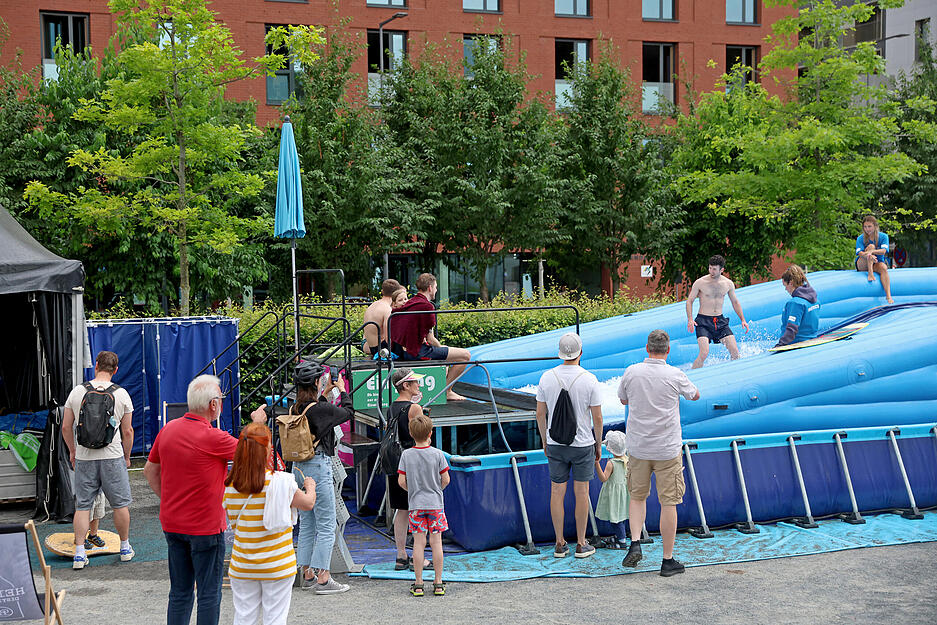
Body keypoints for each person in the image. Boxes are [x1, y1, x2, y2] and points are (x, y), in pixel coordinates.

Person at [143, 374, 266, 625]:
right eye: (220, 399)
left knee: (179, 592)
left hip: (173, 523)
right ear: (213, 405)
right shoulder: (213, 437)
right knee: (209, 594)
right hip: (205, 527)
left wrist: (168, 498)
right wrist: (257, 424)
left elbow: (149, 470)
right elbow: (256, 453)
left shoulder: (168, 430)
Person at [618, 330, 700, 577]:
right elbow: (695, 395)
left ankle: (634, 542)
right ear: (668, 350)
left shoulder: (632, 372)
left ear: (647, 348)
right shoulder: (675, 375)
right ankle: (667, 560)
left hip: (639, 447)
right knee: (669, 502)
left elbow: (622, 400)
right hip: (666, 448)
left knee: (637, 497)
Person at [223, 423, 317, 625]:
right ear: (267, 451)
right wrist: (310, 486)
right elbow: (308, 503)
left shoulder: (231, 485)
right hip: (278, 564)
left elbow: (232, 521)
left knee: (243, 618)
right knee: (275, 619)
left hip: (243, 565)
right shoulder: (283, 482)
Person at [61, 350, 134, 570]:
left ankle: (80, 554)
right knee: (120, 504)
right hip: (113, 457)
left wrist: (73, 451)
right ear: (116, 370)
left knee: (83, 505)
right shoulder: (121, 394)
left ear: (96, 366)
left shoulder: (77, 392)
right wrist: (127, 456)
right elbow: (128, 431)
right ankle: (124, 548)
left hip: (84, 457)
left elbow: (66, 427)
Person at [535, 332, 603, 559]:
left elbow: (540, 413)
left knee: (557, 491)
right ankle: (582, 543)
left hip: (555, 442)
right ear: (580, 353)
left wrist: (545, 440)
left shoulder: (546, 377)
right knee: (582, 492)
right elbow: (598, 418)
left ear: (560, 354)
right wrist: (598, 444)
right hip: (583, 444)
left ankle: (559, 543)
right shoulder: (589, 379)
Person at [289, 361, 354, 594]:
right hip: (318, 467)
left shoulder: (296, 407)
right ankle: (324, 578)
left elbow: (318, 415)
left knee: (307, 523)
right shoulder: (319, 410)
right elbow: (347, 412)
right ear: (317, 382)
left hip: (298, 468)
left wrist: (325, 395)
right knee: (327, 524)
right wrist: (343, 390)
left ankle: (306, 573)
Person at [389, 273, 470, 401]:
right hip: (418, 352)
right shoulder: (427, 306)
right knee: (465, 355)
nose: (436, 290)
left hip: (405, 351)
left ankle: (446, 386)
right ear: (430, 288)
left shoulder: (410, 302)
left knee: (446, 354)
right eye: (436, 287)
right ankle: (447, 391)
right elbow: (431, 339)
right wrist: (442, 348)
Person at [397, 413, 450, 597]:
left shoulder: (406, 455)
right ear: (431, 433)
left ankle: (418, 583)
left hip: (416, 505)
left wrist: (412, 490)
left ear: (411, 434)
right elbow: (446, 479)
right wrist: (437, 489)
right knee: (436, 543)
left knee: (418, 543)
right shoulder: (438, 454)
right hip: (435, 504)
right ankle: (438, 582)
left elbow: (401, 481)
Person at [386, 368, 432, 572]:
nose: (418, 385)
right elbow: (422, 435)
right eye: (415, 382)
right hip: (412, 461)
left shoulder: (391, 407)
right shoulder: (414, 408)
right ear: (406, 385)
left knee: (401, 510)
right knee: (417, 508)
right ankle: (417, 557)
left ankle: (401, 555)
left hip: (395, 461)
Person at [685, 255, 749, 368]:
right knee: (704, 353)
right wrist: (690, 319)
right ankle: (692, 376)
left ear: (722, 270)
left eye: (714, 269)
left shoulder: (728, 284)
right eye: (710, 268)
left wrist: (743, 320)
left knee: (735, 352)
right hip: (703, 322)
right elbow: (689, 301)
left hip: (720, 321)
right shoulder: (700, 283)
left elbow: (735, 302)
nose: (711, 271)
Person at [594, 430, 630, 549]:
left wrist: (596, 464)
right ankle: (620, 535)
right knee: (621, 516)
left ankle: (622, 541)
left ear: (609, 449)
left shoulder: (611, 463)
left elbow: (604, 478)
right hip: (624, 495)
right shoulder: (627, 460)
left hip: (614, 496)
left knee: (615, 519)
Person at [775, 265, 821, 348]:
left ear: (791, 282)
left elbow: (792, 328)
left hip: (796, 343)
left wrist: (780, 345)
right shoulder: (815, 300)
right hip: (811, 340)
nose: (786, 289)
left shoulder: (795, 303)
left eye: (785, 286)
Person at [856, 215, 894, 303]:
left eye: (869, 226)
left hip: (876, 262)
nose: (867, 229)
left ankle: (888, 296)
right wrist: (868, 255)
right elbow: (860, 253)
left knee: (884, 268)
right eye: (865, 227)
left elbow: (884, 251)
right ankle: (870, 273)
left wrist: (872, 253)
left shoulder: (883, 236)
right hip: (862, 263)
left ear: (875, 226)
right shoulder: (860, 238)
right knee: (871, 246)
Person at [362, 279, 402, 357]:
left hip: (371, 346)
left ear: (382, 291)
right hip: (380, 349)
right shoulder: (387, 309)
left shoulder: (372, 305)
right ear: (396, 293)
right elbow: (388, 338)